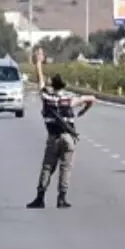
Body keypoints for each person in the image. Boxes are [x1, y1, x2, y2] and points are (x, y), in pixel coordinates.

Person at [26, 67, 94, 209]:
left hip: (53, 138)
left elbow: (40, 82)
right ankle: (61, 198)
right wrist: (83, 111)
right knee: (66, 168)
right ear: (64, 86)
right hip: (69, 138)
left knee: (47, 167)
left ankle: (40, 198)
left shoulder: (47, 99)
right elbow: (92, 99)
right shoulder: (69, 99)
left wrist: (38, 64)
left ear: (52, 85)